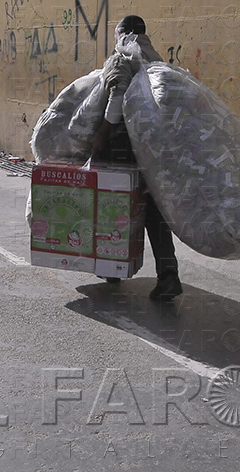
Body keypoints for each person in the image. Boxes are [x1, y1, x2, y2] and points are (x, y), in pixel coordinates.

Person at [89, 15, 182, 300]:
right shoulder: (155, 59)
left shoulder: (123, 58)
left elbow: (117, 98)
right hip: (152, 147)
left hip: (123, 145)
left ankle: (113, 265)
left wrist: (102, 134)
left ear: (121, 34)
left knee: (115, 203)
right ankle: (168, 276)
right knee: (152, 210)